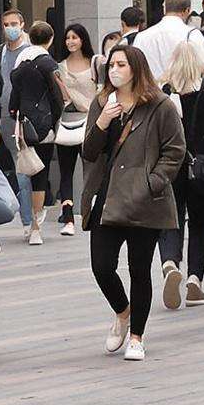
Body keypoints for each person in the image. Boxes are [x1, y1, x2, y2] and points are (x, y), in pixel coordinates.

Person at [82, 44, 188, 362]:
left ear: (136, 69)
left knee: (139, 269)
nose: (114, 70)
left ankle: (137, 336)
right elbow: (88, 152)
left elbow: (175, 151)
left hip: (145, 201)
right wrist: (102, 121)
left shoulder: (160, 106)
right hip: (109, 197)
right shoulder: (102, 103)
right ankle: (122, 311)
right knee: (101, 266)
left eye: (121, 65)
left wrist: (151, 182)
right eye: (111, 65)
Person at [164, 37, 204, 309]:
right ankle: (194, 279)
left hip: (171, 166)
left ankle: (169, 261)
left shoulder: (164, 95)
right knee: (202, 223)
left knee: (171, 218)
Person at [3, 19, 60, 243]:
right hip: (44, 124)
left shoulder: (20, 62)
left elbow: (13, 99)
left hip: (24, 124)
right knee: (41, 173)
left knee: (29, 170)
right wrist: (55, 120)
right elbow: (57, 97)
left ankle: (31, 224)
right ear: (51, 39)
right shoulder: (48, 63)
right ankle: (36, 226)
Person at [49, 23, 99, 232]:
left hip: (92, 123)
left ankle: (89, 213)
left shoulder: (95, 64)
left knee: (91, 170)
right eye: (68, 37)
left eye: (75, 37)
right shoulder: (59, 67)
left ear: (83, 40)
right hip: (69, 122)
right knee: (66, 171)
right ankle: (68, 217)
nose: (71, 41)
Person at [133, 0, 204, 81]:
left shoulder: (141, 37)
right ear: (187, 10)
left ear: (164, 8)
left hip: (149, 91)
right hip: (183, 91)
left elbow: (135, 68)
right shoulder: (192, 34)